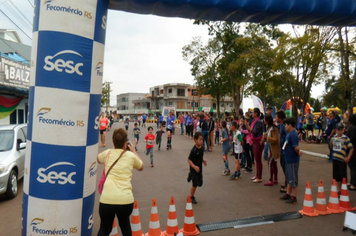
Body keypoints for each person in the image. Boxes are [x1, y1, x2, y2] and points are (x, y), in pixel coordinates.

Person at [97, 128, 143, 236]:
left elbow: (99, 159)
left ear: (113, 141)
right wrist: (134, 151)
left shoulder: (108, 153)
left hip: (107, 199)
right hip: (125, 200)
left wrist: (115, 147)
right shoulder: (131, 156)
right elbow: (141, 166)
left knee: (104, 229)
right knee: (125, 226)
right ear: (125, 143)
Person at [280, 118, 301, 204]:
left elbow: (296, 147)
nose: (285, 126)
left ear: (290, 125)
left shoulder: (293, 135)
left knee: (293, 178)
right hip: (288, 159)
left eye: (286, 125)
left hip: (292, 160)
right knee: (289, 178)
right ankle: (288, 193)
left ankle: (294, 196)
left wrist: (298, 152)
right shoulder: (289, 134)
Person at [330, 122, 354, 192]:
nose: (340, 131)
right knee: (336, 177)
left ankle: (344, 190)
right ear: (336, 130)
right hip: (335, 159)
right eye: (338, 130)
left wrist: (348, 157)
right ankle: (339, 190)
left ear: (343, 130)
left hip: (342, 160)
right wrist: (331, 144)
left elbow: (351, 148)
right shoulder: (334, 138)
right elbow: (333, 148)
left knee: (343, 176)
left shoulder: (346, 138)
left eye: (341, 129)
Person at [245, 108, 264, 183]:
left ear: (256, 113)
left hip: (258, 141)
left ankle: (259, 177)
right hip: (254, 141)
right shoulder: (254, 121)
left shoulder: (259, 122)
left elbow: (254, 132)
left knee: (258, 160)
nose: (252, 114)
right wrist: (247, 126)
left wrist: (248, 126)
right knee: (257, 159)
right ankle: (257, 175)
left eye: (253, 112)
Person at [187, 132, 207, 204]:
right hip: (194, 168)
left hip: (199, 168)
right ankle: (192, 197)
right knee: (195, 184)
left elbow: (201, 156)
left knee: (200, 183)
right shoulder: (194, 150)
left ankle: (190, 175)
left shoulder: (202, 148)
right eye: (200, 140)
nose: (201, 141)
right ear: (195, 140)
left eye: (202, 140)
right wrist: (194, 167)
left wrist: (203, 160)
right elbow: (189, 160)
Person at [261, 114, 280, 186]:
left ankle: (270, 179)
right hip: (271, 148)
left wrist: (267, 138)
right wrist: (264, 139)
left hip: (274, 149)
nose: (264, 121)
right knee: (273, 163)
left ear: (267, 121)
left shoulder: (274, 129)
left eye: (265, 120)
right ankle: (275, 179)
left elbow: (275, 139)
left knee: (269, 162)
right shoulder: (268, 127)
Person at [276, 110, 288, 193]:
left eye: (276, 117)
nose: (275, 118)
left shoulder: (285, 126)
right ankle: (286, 182)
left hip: (285, 150)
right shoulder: (281, 125)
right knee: (283, 166)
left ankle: (288, 185)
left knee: (286, 168)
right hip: (282, 149)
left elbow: (287, 139)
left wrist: (284, 148)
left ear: (280, 118)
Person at [346, 114, 356, 190]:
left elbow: (351, 139)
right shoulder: (351, 128)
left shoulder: (354, 129)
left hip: (353, 150)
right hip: (351, 150)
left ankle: (354, 184)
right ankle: (352, 181)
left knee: (353, 167)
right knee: (351, 167)